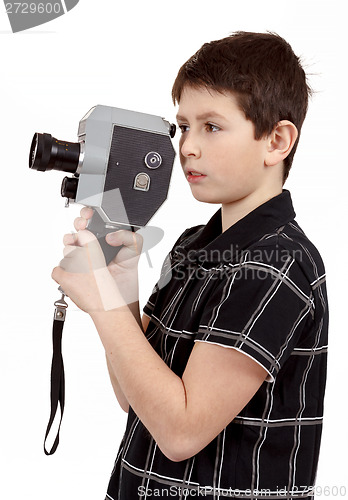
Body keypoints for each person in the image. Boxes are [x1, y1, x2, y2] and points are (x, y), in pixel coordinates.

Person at [52, 32, 328, 500]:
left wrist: (103, 306)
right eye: (182, 126)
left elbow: (180, 432)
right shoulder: (189, 248)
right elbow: (133, 399)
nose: (187, 147)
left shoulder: (277, 266)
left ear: (277, 140)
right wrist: (122, 291)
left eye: (211, 127)